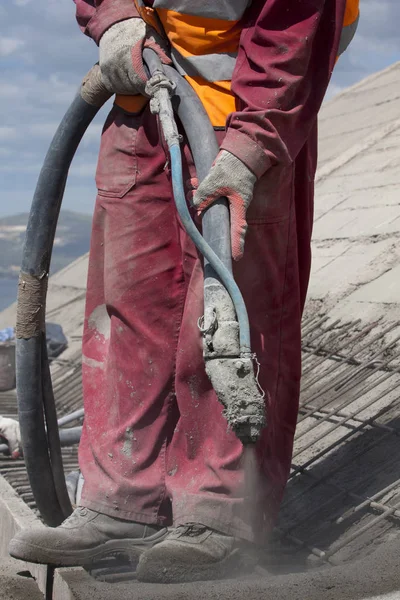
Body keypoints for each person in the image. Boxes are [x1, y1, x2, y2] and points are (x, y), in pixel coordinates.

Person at [9, 0, 359, 583]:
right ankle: (123, 503)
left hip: (252, 104)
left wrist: (253, 147)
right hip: (142, 93)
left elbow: (295, 27)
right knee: (128, 301)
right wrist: (114, 16)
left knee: (231, 312)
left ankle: (219, 513)